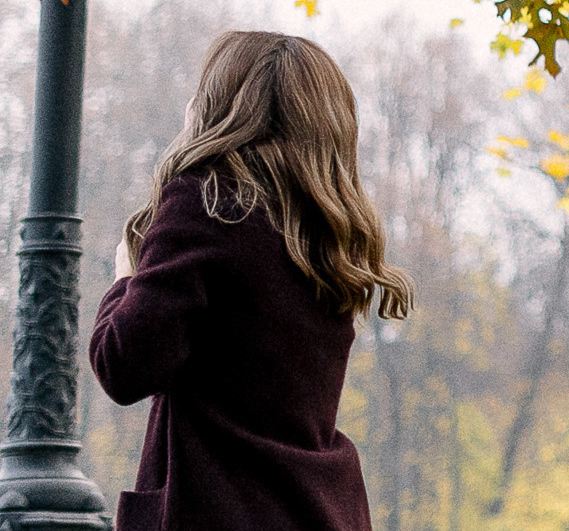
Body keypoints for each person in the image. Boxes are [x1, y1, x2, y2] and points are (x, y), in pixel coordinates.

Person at [89, 32, 413, 531]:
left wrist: (124, 282)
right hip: (321, 508)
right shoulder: (328, 237)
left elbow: (125, 366)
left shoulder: (208, 202)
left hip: (219, 510)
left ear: (219, 106)